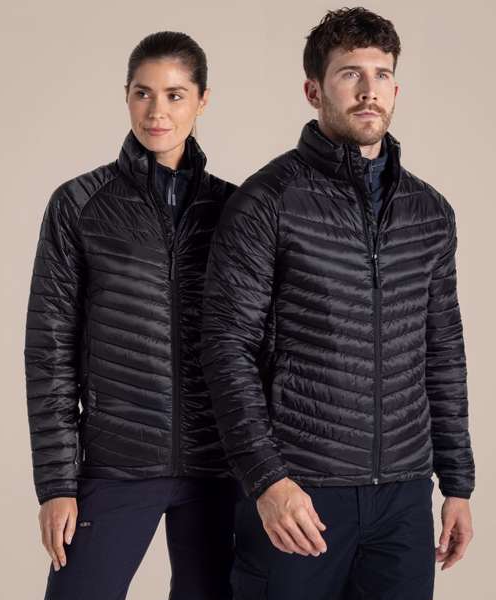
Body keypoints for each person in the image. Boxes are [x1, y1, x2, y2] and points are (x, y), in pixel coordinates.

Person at [201, 7, 475, 600]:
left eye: (382, 74)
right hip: (300, 493)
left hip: (403, 497)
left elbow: (443, 353)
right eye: (351, 73)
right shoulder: (267, 202)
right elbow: (226, 349)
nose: (369, 89)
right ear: (314, 91)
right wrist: (267, 480)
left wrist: (457, 484)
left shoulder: (430, 213)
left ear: (396, 89)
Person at [24, 31, 238, 600]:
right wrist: (57, 483)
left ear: (202, 100)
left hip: (220, 468)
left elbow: (259, 344)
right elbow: (49, 350)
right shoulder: (79, 204)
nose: (156, 111)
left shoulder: (234, 209)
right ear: (126, 96)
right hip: (116, 462)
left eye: (175, 94)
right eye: (143, 93)